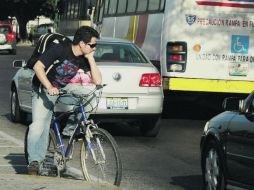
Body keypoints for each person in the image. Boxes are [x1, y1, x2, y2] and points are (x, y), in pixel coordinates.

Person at [27, 26, 102, 175]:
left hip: (63, 87)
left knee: (93, 95)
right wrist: (49, 86)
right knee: (39, 126)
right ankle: (34, 162)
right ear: (82, 43)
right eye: (92, 45)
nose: (94, 48)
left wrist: (91, 59)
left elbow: (98, 81)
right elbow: (38, 67)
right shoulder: (60, 49)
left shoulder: (83, 57)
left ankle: (70, 129)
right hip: (44, 88)